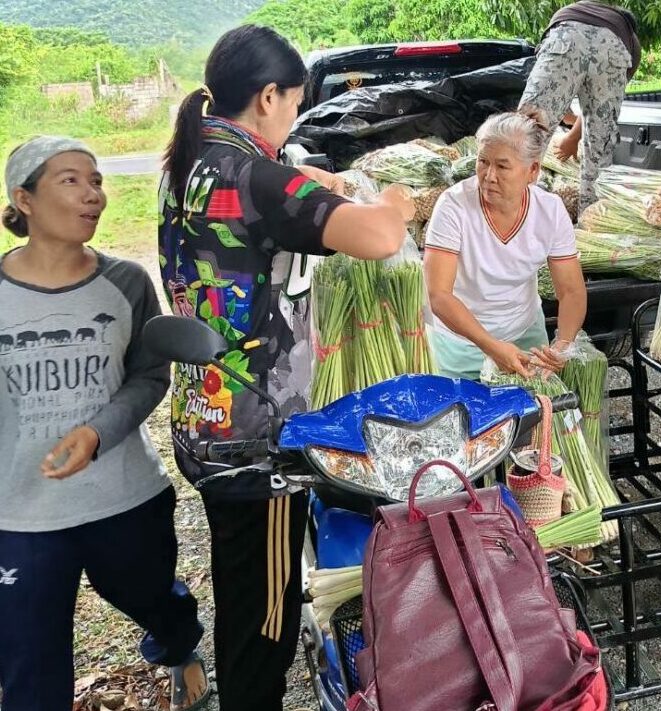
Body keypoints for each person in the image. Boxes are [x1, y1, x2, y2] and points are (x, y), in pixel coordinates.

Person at [158, 25, 411, 711]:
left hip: (206, 416)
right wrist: (394, 203)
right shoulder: (257, 179)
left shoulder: (189, 163)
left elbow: (262, 207)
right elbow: (379, 237)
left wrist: (311, 181)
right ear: (267, 96)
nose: (293, 118)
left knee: (243, 592)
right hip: (258, 442)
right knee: (263, 627)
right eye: (294, 103)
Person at [0, 137, 208, 711]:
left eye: (96, 181)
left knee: (151, 597)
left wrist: (96, 433)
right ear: (24, 199)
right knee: (29, 663)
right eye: (70, 180)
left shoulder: (126, 282)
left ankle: (178, 646)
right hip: (19, 514)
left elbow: (149, 375)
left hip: (124, 498)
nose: (93, 194)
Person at [425, 110, 588, 380]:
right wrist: (492, 347)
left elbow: (571, 291)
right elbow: (439, 295)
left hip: (525, 335)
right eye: (482, 162)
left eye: (502, 166)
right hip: (461, 342)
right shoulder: (453, 206)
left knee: (534, 406)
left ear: (532, 170)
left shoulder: (550, 211)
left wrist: (562, 345)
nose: (489, 176)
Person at [518, 1, 641, 213]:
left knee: (526, 132)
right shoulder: (630, 41)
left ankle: (514, 214)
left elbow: (552, 96)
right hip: (612, 49)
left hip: (565, 35)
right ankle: (591, 221)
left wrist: (570, 134)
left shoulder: (577, 9)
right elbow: (598, 111)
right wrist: (573, 137)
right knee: (599, 149)